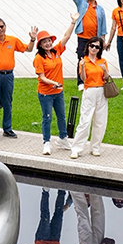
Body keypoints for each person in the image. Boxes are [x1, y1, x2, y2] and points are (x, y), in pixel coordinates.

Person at [0, 18, 37, 140]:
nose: (0, 29)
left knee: (8, 102)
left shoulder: (12, 40)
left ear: (5, 26)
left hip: (8, 76)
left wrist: (33, 39)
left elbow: (28, 49)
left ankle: (7, 129)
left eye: (1, 26)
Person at [33, 17, 77, 155]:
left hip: (58, 92)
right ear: (40, 45)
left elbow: (66, 36)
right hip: (46, 93)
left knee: (61, 116)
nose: (48, 43)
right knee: (47, 117)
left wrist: (73, 22)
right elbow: (42, 77)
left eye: (49, 41)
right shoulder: (39, 58)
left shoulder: (56, 51)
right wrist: (54, 83)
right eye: (44, 42)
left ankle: (63, 138)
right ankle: (46, 142)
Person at [55, 0, 107, 90]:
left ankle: (94, 79)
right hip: (83, 37)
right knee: (82, 58)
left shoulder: (100, 9)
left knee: (95, 59)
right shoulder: (82, 3)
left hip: (95, 39)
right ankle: (81, 82)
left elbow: (103, 26)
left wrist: (103, 40)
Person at [69, 36, 112, 159]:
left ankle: (95, 147)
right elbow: (83, 78)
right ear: (88, 46)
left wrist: (105, 70)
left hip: (101, 90)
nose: (94, 48)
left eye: (97, 47)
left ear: (100, 49)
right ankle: (76, 148)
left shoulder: (102, 61)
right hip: (90, 90)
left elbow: (106, 78)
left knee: (100, 121)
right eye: (92, 45)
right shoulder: (84, 61)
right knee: (85, 120)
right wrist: (82, 67)